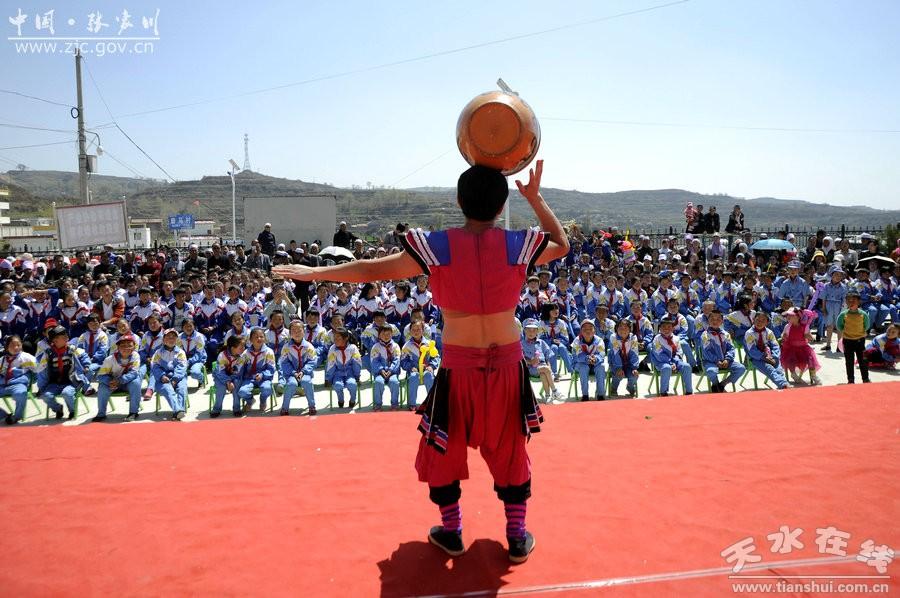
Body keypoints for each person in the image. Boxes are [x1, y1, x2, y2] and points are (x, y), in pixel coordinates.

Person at [273, 160, 568, 563]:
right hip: (506, 367)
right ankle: (516, 537)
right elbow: (562, 243)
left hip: (458, 367)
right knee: (511, 448)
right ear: (502, 206)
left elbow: (368, 270)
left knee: (442, 449)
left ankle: (452, 532)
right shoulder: (518, 244)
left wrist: (316, 272)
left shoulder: (439, 246)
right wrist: (534, 198)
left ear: (459, 200)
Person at [36, 326, 91, 419]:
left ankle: (73, 410)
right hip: (54, 383)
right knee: (46, 396)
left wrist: (86, 365)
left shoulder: (71, 349)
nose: (67, 337)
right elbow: (41, 370)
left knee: (67, 393)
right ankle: (58, 408)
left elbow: (84, 355)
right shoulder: (48, 353)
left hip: (71, 381)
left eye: (66, 335)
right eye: (63, 336)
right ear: (55, 340)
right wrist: (42, 387)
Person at [94, 333, 143, 422]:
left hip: (126, 383)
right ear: (118, 347)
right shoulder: (110, 359)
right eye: (123, 345)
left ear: (134, 347)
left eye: (129, 345)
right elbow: (101, 375)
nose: (126, 348)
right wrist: (109, 382)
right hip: (112, 383)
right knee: (102, 387)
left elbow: (134, 373)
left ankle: (133, 412)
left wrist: (120, 381)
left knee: (136, 382)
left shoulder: (136, 356)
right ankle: (101, 414)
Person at [699, 310, 745, 393]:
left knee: (741, 368)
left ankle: (722, 384)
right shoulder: (705, 335)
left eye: (718, 319)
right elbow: (707, 351)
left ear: (722, 321)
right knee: (711, 371)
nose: (715, 321)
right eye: (712, 319)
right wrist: (717, 361)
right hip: (710, 361)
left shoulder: (726, 334)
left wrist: (727, 359)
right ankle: (715, 384)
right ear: (708, 321)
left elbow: (731, 348)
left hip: (725, 360)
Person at [279, 319, 318, 415]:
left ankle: (312, 405)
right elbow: (284, 363)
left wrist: (303, 371)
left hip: (305, 373)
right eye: (293, 331)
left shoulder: (309, 346)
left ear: (304, 332)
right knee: (291, 384)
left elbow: (312, 361)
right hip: (291, 374)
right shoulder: (286, 347)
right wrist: (294, 373)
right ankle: (285, 407)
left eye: (299, 330)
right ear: (290, 333)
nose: (296, 333)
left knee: (306, 381)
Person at [650, 315, 694, 396]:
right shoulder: (657, 339)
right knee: (667, 368)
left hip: (675, 361)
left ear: (673, 328)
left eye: (669, 327)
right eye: (664, 327)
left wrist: (675, 361)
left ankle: (689, 391)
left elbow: (679, 352)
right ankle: (663, 392)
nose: (666, 329)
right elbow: (659, 354)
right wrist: (670, 363)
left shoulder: (676, 338)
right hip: (661, 362)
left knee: (687, 366)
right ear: (660, 329)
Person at [744, 312, 789, 390]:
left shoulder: (769, 332)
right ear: (753, 320)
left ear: (767, 322)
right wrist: (764, 357)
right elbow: (752, 350)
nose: (759, 323)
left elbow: (775, 346)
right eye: (757, 320)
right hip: (756, 358)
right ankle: (783, 385)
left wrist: (774, 357)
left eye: (763, 320)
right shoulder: (749, 333)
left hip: (771, 356)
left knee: (779, 369)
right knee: (769, 368)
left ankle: (784, 384)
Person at [151, 329, 189, 420]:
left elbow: (182, 366)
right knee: (168, 389)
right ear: (163, 340)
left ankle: (179, 411)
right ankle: (179, 411)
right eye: (168, 337)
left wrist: (175, 379)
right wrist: (162, 376)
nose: (171, 339)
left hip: (178, 377)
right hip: (163, 378)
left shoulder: (180, 352)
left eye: (173, 337)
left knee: (182, 388)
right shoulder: (158, 353)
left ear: (177, 339)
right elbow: (154, 366)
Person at [401, 320, 439, 410]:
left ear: (423, 330)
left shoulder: (429, 344)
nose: (416, 332)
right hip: (413, 371)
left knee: (429, 376)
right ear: (410, 332)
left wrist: (432, 366)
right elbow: (403, 361)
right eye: (413, 330)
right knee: (414, 377)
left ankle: (431, 403)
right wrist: (410, 367)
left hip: (427, 370)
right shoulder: (407, 346)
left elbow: (436, 357)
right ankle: (412, 404)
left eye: (418, 329)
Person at [0, 335, 37, 425]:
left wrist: (34, 380)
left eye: (18, 345)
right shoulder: (2, 359)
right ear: (7, 347)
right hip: (3, 384)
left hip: (18, 384)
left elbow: (39, 368)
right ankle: (4, 415)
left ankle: (17, 416)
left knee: (20, 394)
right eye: (12, 345)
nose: (16, 347)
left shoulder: (25, 357)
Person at [780, 307, 822, 385]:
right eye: (788, 315)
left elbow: (808, 336)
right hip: (791, 347)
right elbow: (783, 335)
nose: (788, 317)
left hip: (803, 348)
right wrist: (784, 336)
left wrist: (809, 336)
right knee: (790, 360)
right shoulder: (787, 326)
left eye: (791, 315)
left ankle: (813, 375)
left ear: (798, 317)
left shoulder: (805, 326)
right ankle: (793, 374)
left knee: (811, 359)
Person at [238, 327, 276, 412]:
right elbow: (240, 367)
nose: (259, 339)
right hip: (249, 378)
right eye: (256, 337)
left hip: (264, 378)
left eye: (261, 336)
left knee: (267, 389)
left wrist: (262, 374)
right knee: (242, 392)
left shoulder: (268, 352)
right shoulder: (246, 353)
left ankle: (263, 401)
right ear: (251, 340)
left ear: (265, 338)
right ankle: (250, 400)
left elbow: (272, 368)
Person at [836, 291, 870, 384]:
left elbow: (866, 326)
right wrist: (847, 332)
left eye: (853, 300)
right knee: (849, 361)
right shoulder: (844, 314)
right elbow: (839, 326)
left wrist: (860, 332)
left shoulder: (863, 314)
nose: (851, 302)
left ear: (859, 302)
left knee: (863, 360)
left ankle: (865, 378)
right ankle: (850, 379)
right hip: (848, 341)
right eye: (848, 300)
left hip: (860, 340)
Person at [325, 328, 362, 409]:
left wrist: (357, 376)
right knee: (337, 385)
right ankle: (340, 400)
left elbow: (357, 362)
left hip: (350, 372)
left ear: (346, 338)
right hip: (338, 373)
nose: (336, 340)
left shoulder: (353, 348)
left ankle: (352, 399)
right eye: (335, 338)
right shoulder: (332, 349)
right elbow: (330, 364)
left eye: (338, 338)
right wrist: (329, 378)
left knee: (352, 384)